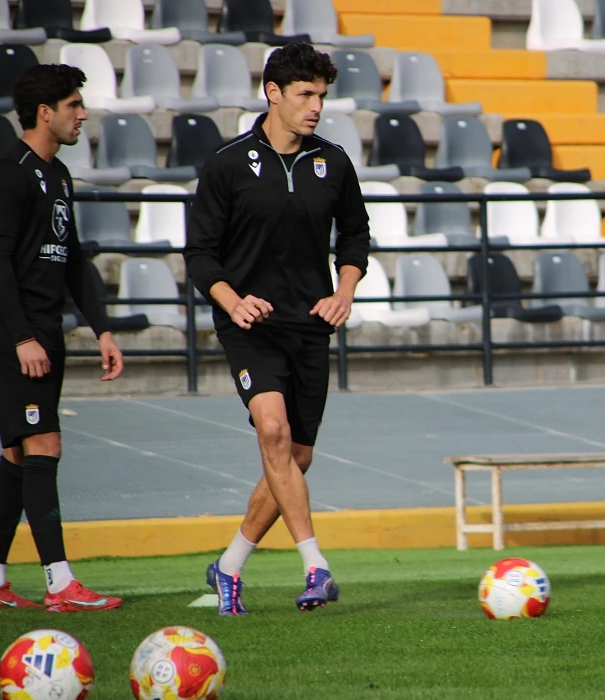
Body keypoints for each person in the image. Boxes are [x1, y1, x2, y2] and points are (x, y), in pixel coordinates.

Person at [184, 42, 370, 616]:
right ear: (273, 93)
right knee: (272, 432)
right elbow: (200, 254)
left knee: (296, 457)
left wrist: (344, 291)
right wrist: (232, 302)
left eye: (322, 95)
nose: (316, 106)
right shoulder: (227, 163)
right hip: (250, 324)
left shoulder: (334, 162)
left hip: (310, 326)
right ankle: (316, 565)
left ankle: (229, 566)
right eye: (305, 94)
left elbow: (356, 237)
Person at [0, 64, 125, 612]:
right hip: (18, 338)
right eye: (75, 104)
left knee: (17, 455)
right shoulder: (7, 174)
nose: (83, 114)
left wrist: (101, 326)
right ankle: (61, 585)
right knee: (44, 445)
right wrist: (20, 339)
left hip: (46, 333)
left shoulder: (58, 176)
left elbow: (74, 258)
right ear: (45, 112)